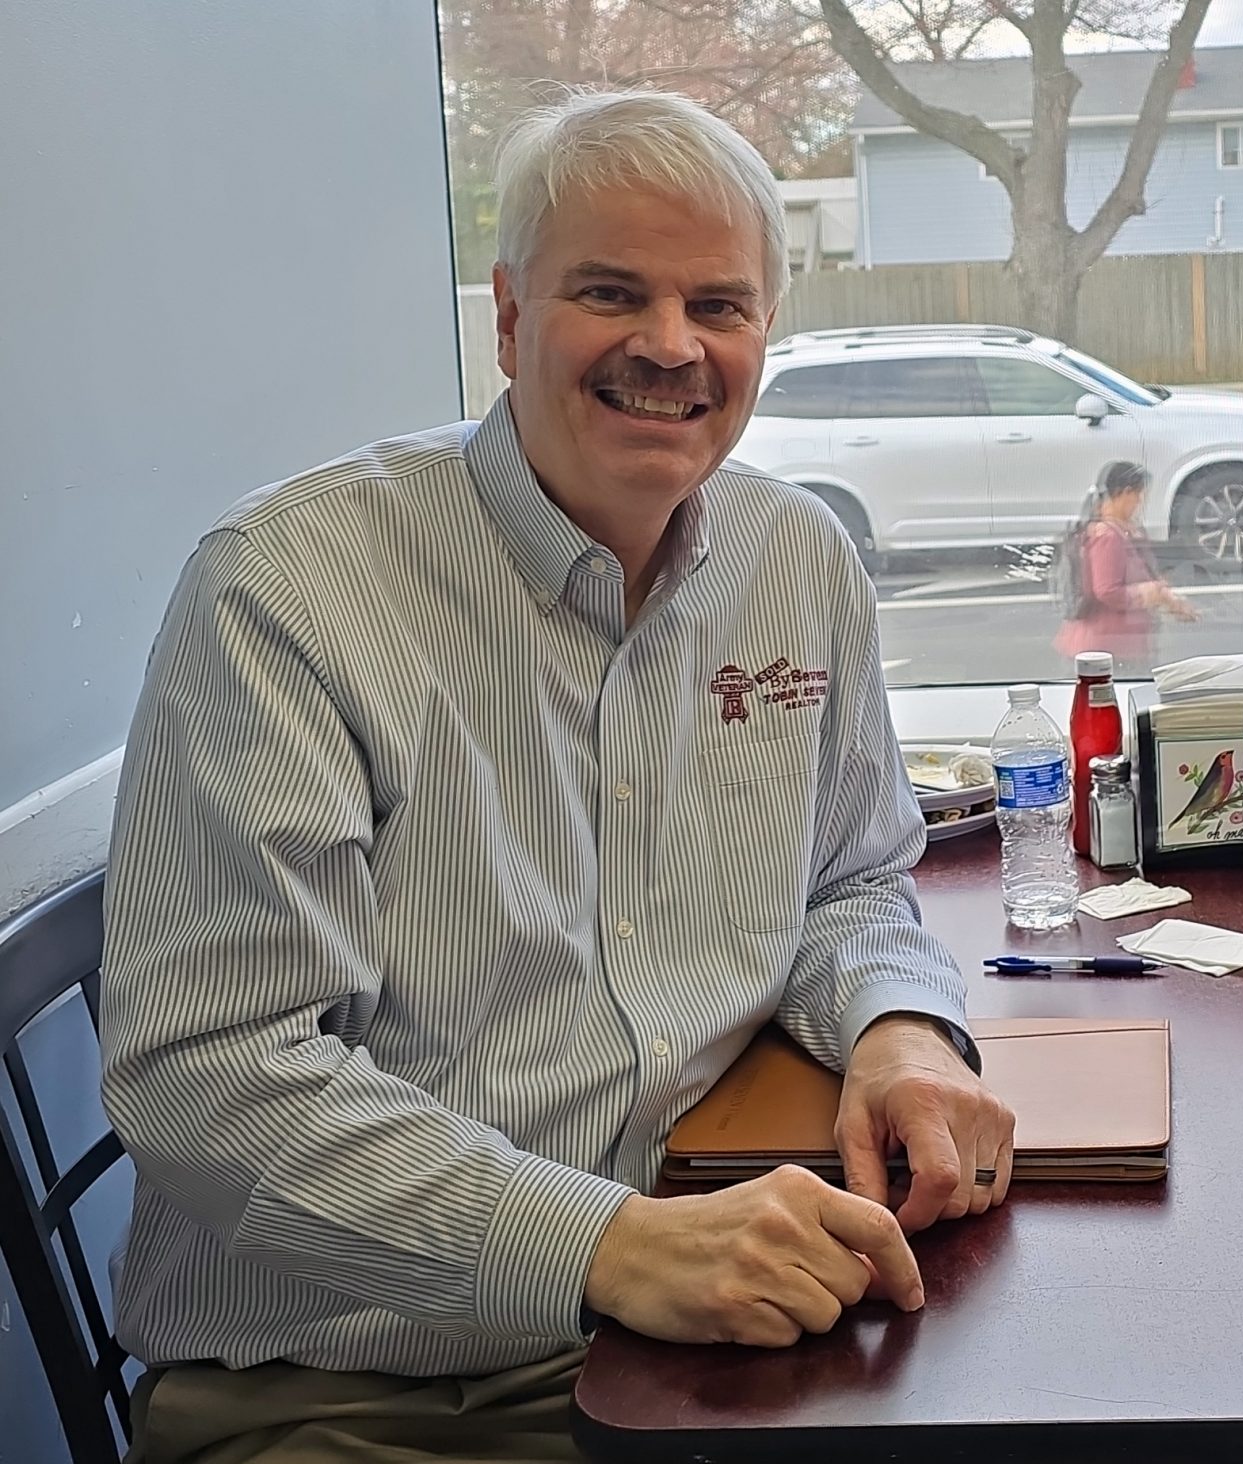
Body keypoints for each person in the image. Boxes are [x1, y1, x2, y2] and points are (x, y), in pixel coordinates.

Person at [97, 88, 1016, 1463]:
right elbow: (216, 1079)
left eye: (720, 304)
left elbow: (849, 885)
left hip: (694, 1339)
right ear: (512, 316)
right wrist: (612, 1248)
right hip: (361, 1394)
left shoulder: (800, 561)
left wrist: (897, 1029)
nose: (670, 345)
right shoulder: (286, 593)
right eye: (611, 293)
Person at [1054, 459, 1194, 667]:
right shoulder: (1107, 536)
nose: (1139, 502)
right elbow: (1107, 590)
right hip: (1105, 651)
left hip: (1113, 647)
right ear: (1125, 493)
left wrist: (1165, 597)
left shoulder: (1117, 530)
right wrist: (1152, 592)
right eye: (1138, 495)